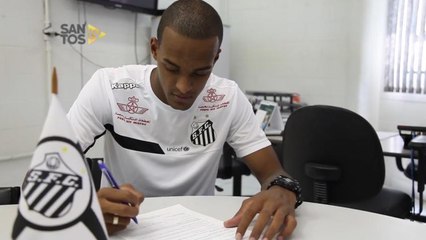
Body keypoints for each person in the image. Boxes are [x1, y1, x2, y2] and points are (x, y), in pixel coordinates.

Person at [67, 0, 301, 239]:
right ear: (155, 49)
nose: (184, 87)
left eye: (200, 72)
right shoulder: (110, 87)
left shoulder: (227, 97)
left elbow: (272, 172)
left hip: (198, 231)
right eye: (171, 68)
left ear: (216, 57)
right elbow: (47, 169)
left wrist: (282, 190)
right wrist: (83, 207)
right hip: (124, 228)